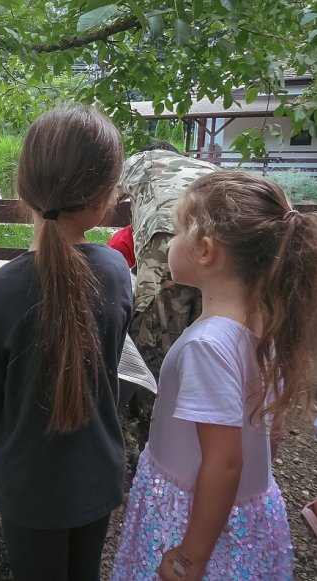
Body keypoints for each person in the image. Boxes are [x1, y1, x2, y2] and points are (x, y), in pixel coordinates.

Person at [112, 172, 317, 580]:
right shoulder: (265, 328)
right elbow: (268, 430)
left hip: (193, 520)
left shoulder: (208, 346)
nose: (169, 243)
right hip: (243, 515)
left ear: (205, 250)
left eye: (174, 232)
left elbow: (224, 465)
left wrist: (191, 556)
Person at [0, 106, 133, 581]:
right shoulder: (117, 274)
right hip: (97, 474)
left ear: (24, 187)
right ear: (103, 196)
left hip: (27, 485)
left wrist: (6, 464)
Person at [116, 141, 217, 444]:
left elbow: (98, 197)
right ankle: (204, 432)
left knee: (153, 345)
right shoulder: (204, 169)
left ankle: (150, 439)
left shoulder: (140, 160)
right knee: (207, 335)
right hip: (225, 247)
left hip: (169, 240)